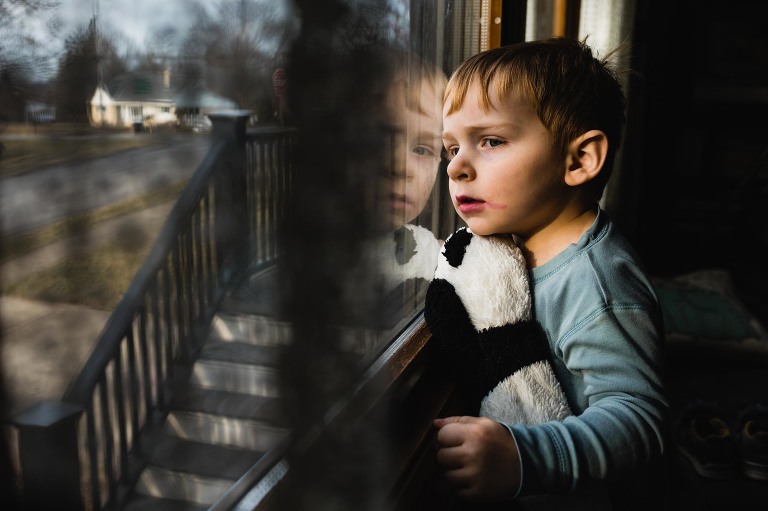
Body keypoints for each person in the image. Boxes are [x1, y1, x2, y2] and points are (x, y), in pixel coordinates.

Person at [432, 38, 668, 509]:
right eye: (451, 147)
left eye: (491, 141)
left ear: (579, 160)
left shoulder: (596, 282)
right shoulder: (510, 248)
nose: (456, 167)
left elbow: (639, 420)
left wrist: (526, 458)